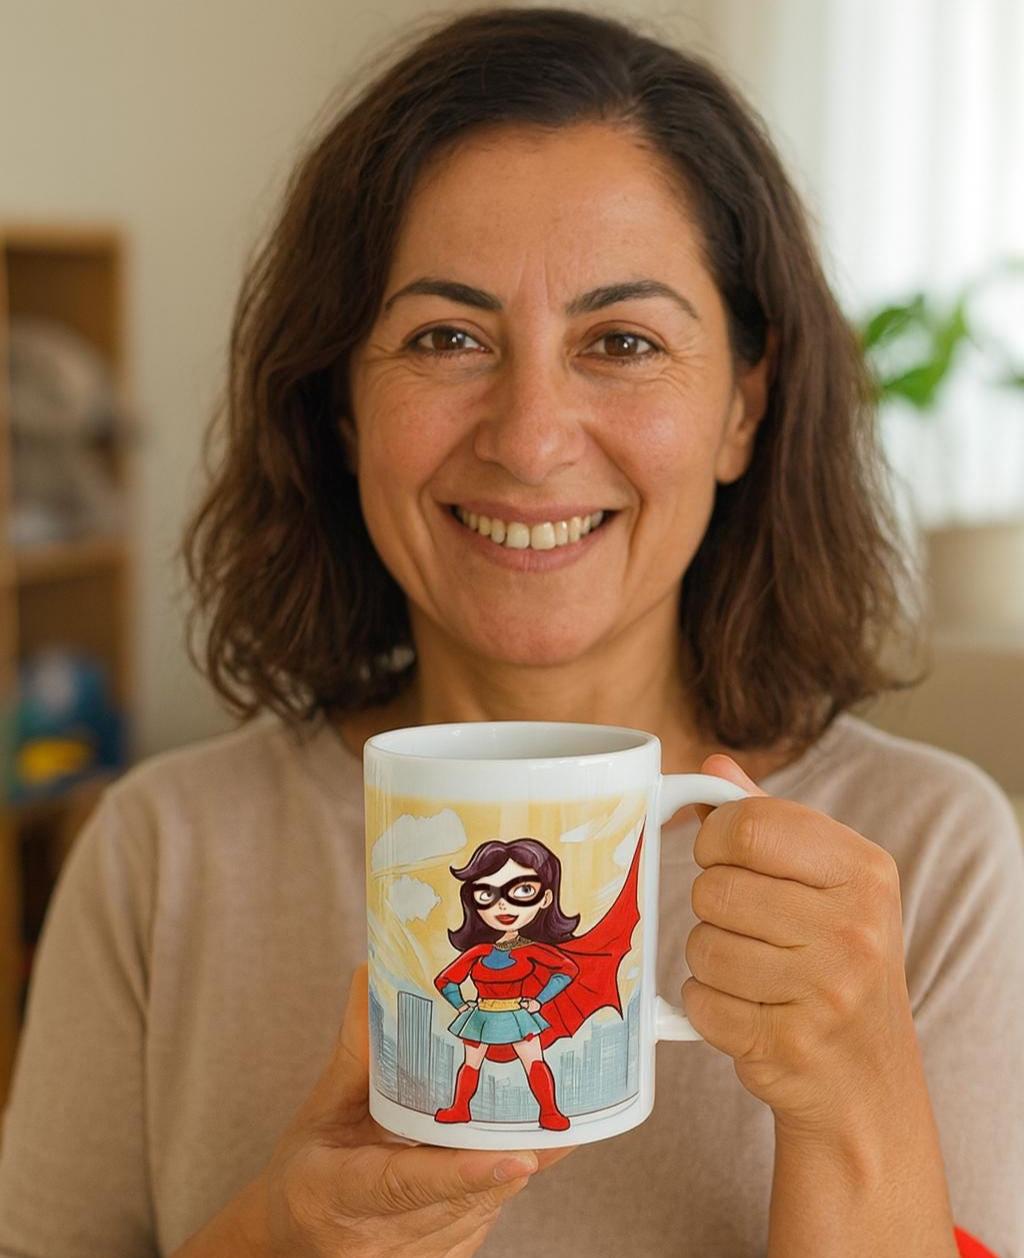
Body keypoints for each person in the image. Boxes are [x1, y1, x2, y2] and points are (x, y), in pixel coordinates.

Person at [0, 6, 1021, 1256]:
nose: (530, 439)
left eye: (623, 342)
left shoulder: (931, 855)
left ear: (742, 411)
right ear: (341, 404)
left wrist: (858, 1104)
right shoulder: (158, 855)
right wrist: (279, 1235)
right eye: (447, 337)